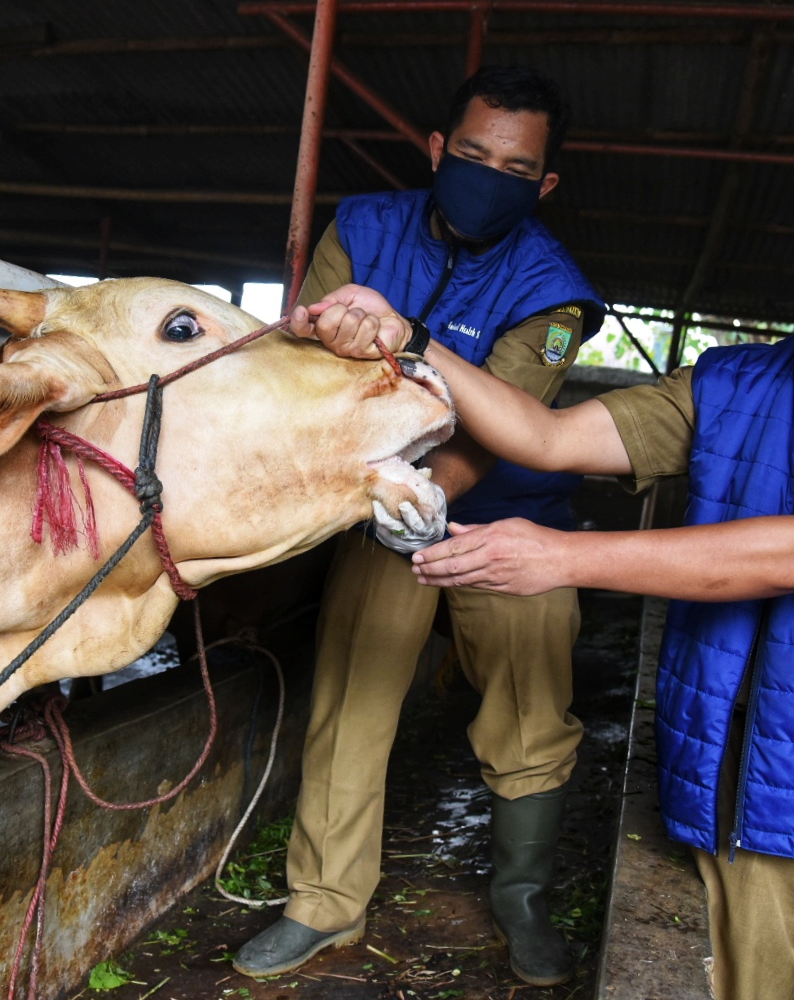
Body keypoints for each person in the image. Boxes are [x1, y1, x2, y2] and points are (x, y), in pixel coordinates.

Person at [291, 105, 794, 1000]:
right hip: (742, 791)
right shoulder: (731, 381)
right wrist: (415, 337)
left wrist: (561, 558)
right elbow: (546, 438)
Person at [233, 66, 605, 986]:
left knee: (529, 706)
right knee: (352, 697)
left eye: (515, 166)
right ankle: (323, 905)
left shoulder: (555, 290)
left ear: (545, 184)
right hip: (375, 504)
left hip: (506, 518)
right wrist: (365, 482)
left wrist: (425, 490)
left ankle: (521, 899)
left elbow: (506, 423)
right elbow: (301, 364)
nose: (489, 174)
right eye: (473, 153)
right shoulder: (361, 228)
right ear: (438, 150)